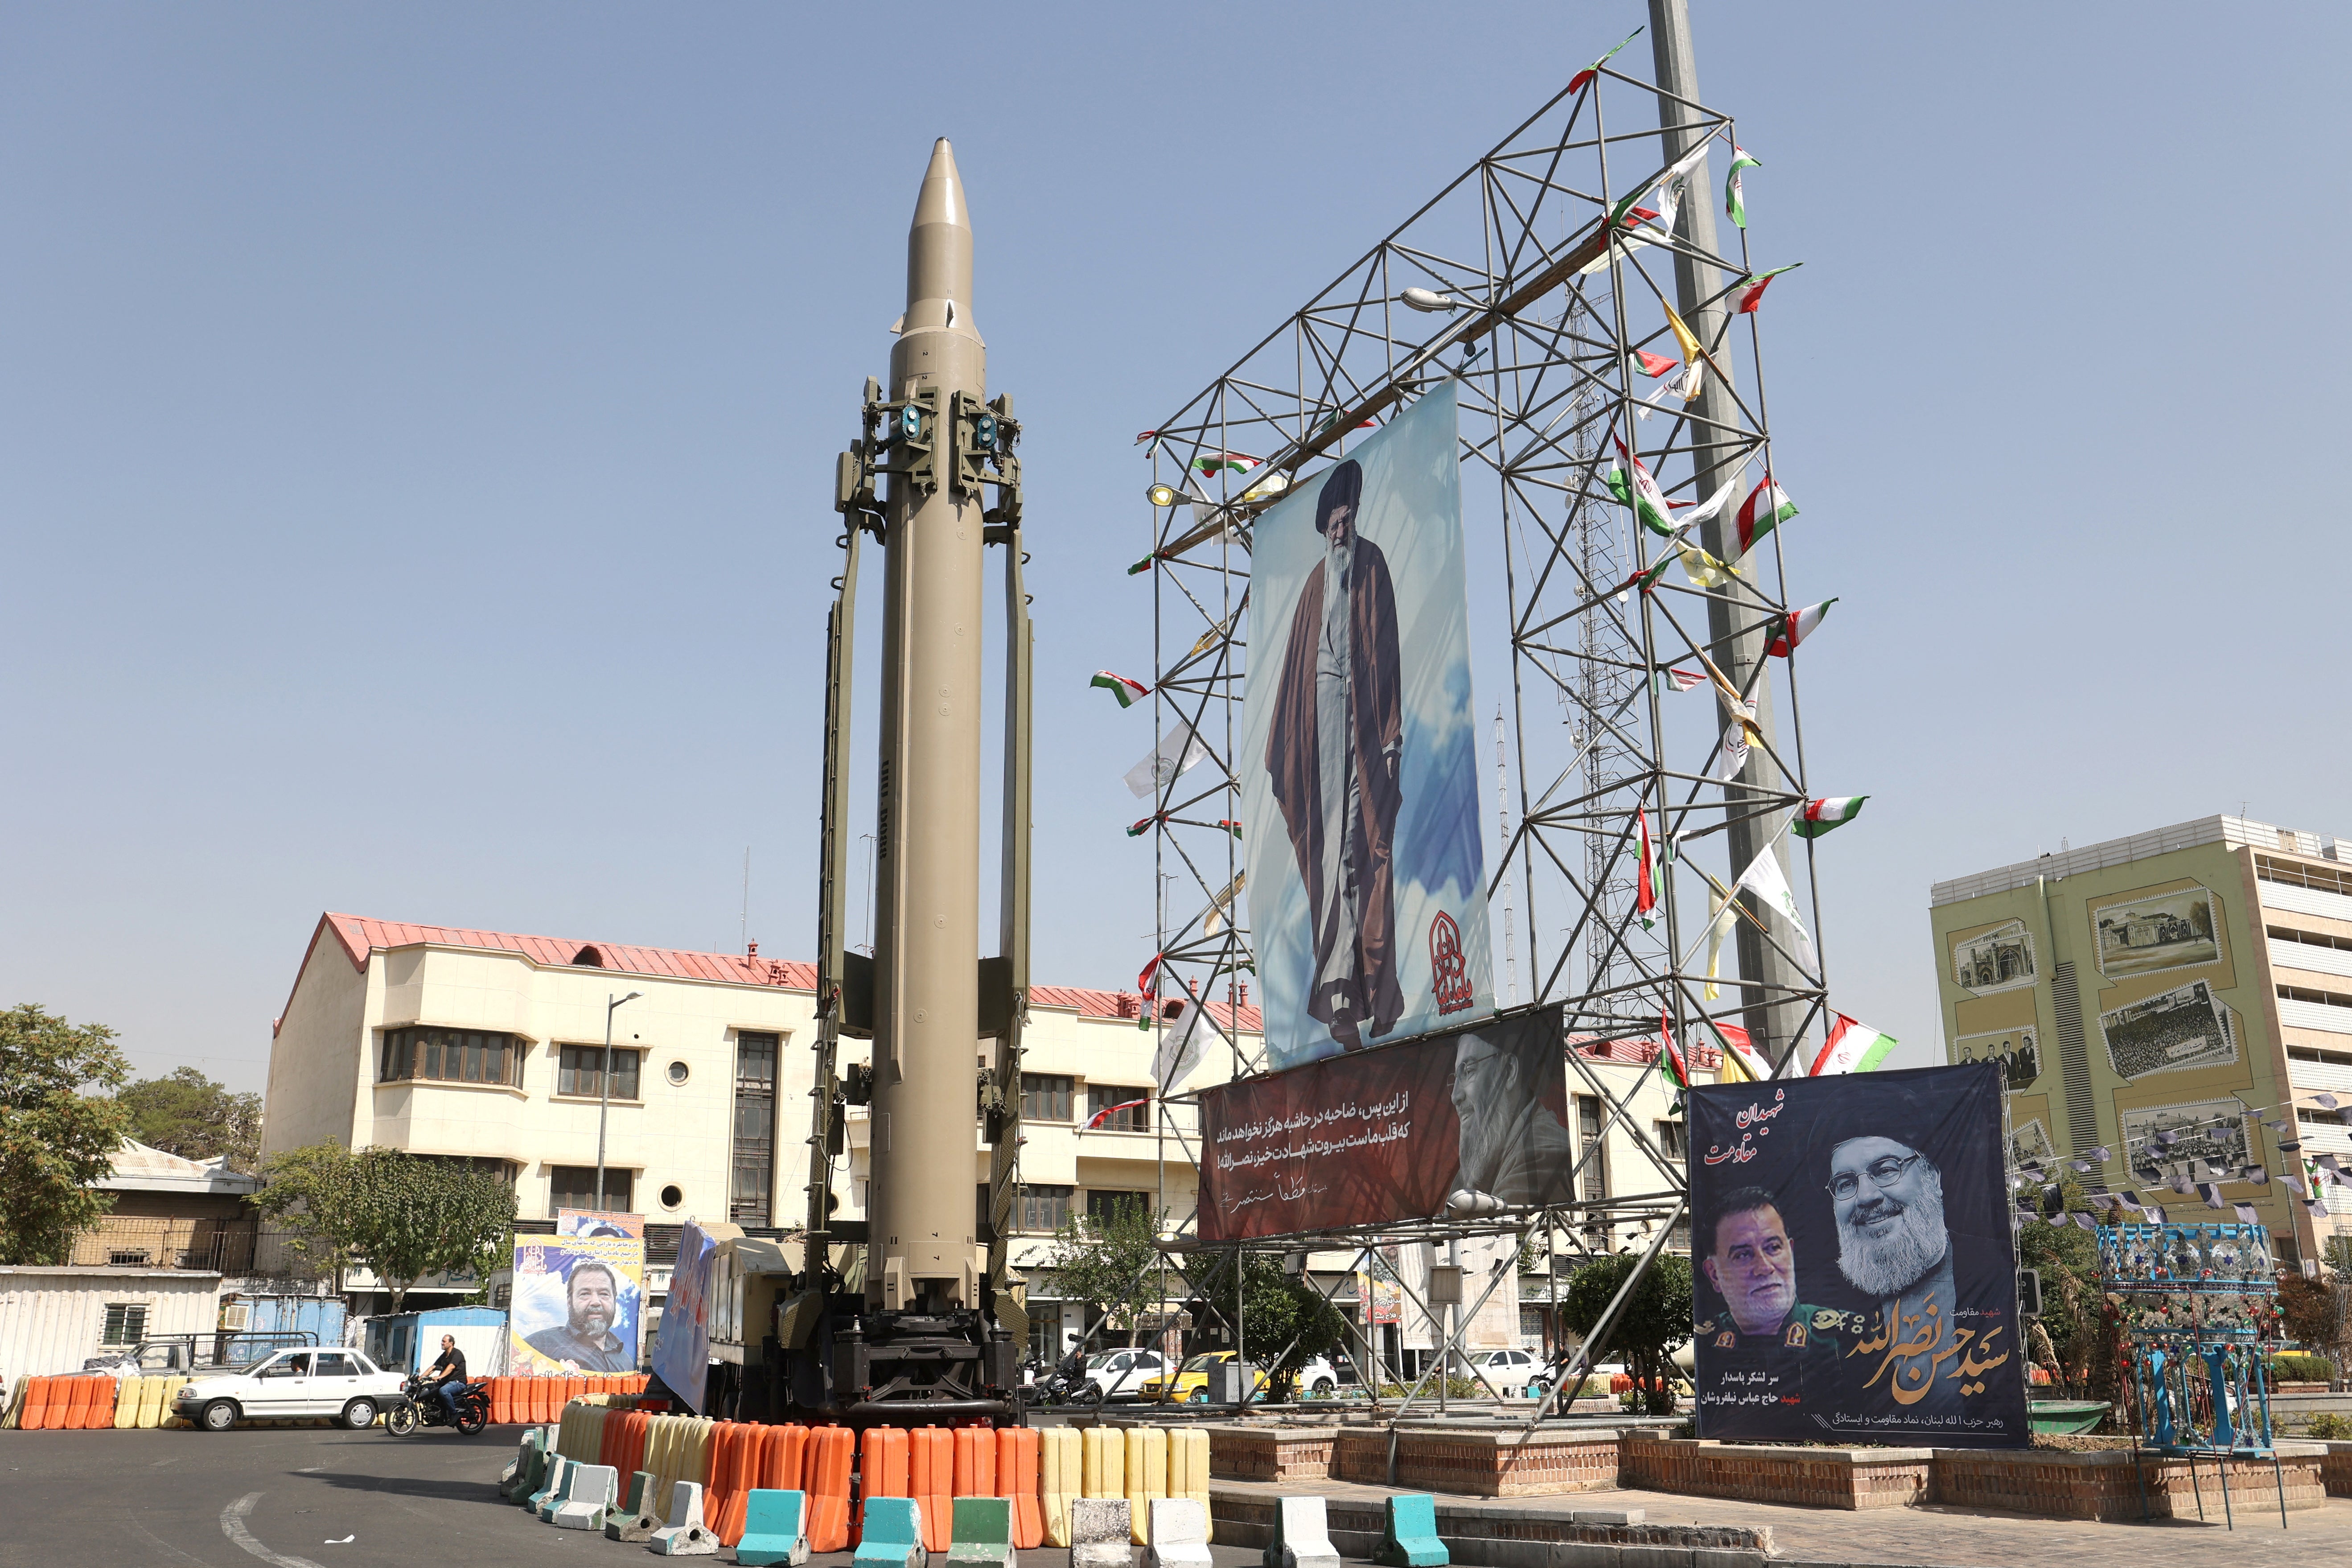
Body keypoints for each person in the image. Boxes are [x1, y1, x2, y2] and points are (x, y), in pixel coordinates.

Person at [1266, 458, 1405, 1049]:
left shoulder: (1372, 566)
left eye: (1348, 520)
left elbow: (1388, 653)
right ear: (1325, 527)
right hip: (1323, 725)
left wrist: (1391, 737)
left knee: (1367, 851)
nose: (1341, 531)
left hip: (1367, 728)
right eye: (1334, 523)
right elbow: (1299, 673)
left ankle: (1375, 990)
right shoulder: (1314, 586)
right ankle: (1341, 995)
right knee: (1335, 858)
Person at [1692, 1188, 1857, 1405]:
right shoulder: (1706, 1343)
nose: (1764, 1268)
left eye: (1773, 1248)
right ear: (1714, 1274)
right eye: (1743, 1255)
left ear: (1791, 1252)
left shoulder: (1847, 1338)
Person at [1448, 1026, 1578, 1208]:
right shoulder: (1481, 1157)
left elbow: (1504, 1230)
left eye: (1468, 1072)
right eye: (1455, 1078)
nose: (1455, 1096)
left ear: (1509, 1071)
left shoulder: (1545, 1154)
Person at [524, 1259, 634, 1372]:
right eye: (585, 1294)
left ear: (614, 1301)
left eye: (604, 1294)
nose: (596, 1302)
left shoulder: (626, 1360)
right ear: (569, 1302)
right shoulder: (537, 1346)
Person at [424, 1333, 468, 1425]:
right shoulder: (444, 1356)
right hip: (448, 1383)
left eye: (444, 1341)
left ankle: (454, 1414)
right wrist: (421, 1377)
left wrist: (440, 1377)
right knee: (430, 1390)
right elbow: (433, 1367)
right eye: (442, 1341)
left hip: (458, 1382)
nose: (442, 1343)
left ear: (451, 1343)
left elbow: (451, 1367)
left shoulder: (457, 1354)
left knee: (443, 1391)